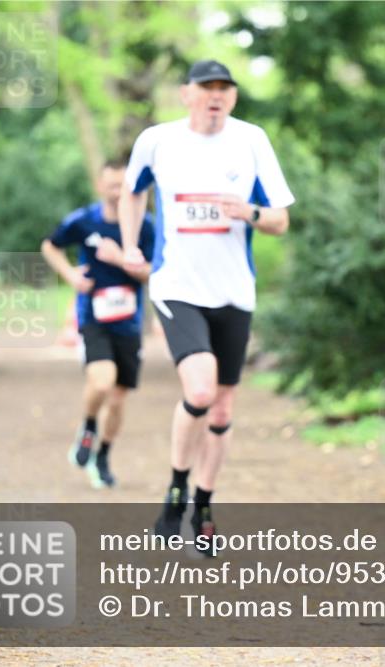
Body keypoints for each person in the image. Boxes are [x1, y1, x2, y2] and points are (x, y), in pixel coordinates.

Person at [118, 60, 294, 555]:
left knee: (223, 405)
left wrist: (251, 212)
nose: (216, 96)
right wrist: (132, 245)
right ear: (186, 94)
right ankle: (176, 488)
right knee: (199, 388)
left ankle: (203, 504)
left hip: (235, 291)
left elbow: (280, 219)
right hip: (177, 286)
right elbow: (133, 193)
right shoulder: (157, 140)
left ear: (233, 98)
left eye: (225, 89)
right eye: (207, 88)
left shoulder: (252, 140)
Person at [41, 160, 155, 488]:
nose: (118, 191)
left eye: (124, 186)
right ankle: (89, 426)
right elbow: (50, 246)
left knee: (118, 399)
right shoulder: (83, 221)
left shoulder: (144, 226)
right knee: (102, 383)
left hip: (129, 324)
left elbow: (153, 273)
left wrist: (120, 258)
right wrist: (71, 276)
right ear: (100, 185)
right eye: (112, 185)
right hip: (93, 318)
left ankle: (103, 454)